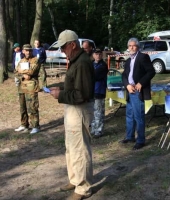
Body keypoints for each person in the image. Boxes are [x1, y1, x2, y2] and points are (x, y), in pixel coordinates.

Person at [49, 30, 95, 200]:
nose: (62, 51)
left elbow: (80, 94)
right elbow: (73, 83)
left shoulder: (82, 63)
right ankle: (75, 179)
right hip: (72, 109)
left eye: (63, 47)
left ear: (72, 45)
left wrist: (59, 95)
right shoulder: (76, 61)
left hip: (79, 109)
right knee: (71, 147)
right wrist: (60, 88)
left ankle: (83, 188)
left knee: (80, 149)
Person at [121, 37, 156, 150]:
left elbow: (151, 71)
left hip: (138, 91)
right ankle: (130, 136)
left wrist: (141, 83)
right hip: (130, 90)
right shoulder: (128, 60)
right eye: (130, 46)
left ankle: (140, 140)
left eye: (134, 45)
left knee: (139, 116)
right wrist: (127, 85)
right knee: (129, 115)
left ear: (138, 47)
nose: (131, 47)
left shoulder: (143, 57)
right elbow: (124, 75)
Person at [14, 44, 41, 134]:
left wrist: (21, 71)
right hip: (22, 87)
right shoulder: (21, 61)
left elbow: (32, 71)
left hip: (31, 87)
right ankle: (24, 125)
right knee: (23, 107)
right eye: (26, 50)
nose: (28, 52)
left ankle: (35, 126)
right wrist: (23, 75)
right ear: (23, 51)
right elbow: (15, 72)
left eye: (30, 50)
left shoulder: (35, 60)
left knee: (32, 107)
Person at [90, 48, 108, 138]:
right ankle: (93, 129)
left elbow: (95, 76)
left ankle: (99, 131)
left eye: (100, 54)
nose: (98, 56)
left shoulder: (103, 65)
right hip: (91, 91)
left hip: (99, 91)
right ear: (93, 55)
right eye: (96, 54)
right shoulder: (91, 64)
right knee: (92, 112)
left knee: (99, 112)